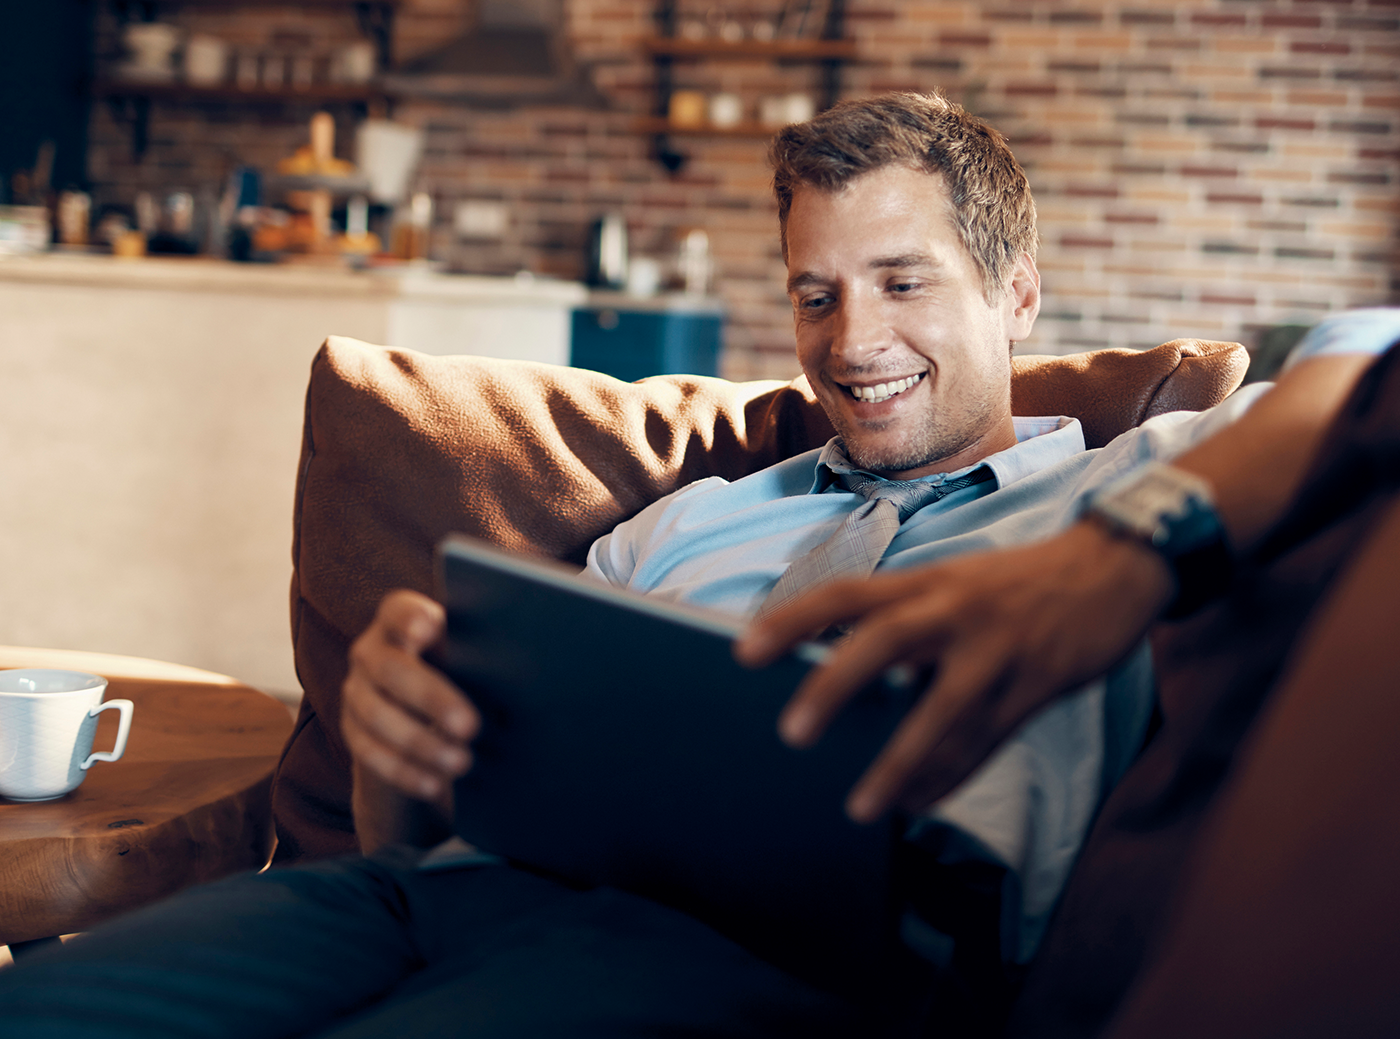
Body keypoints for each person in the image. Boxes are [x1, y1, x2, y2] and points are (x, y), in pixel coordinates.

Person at [1, 93, 1394, 1038]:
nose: (852, 343)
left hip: (760, 958)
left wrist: (1137, 550)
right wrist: (391, 736)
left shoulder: (1129, 477)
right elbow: (410, 833)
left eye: (904, 283)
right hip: (411, 898)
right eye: (816, 292)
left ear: (1014, 293)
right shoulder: (681, 526)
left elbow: (1375, 346)